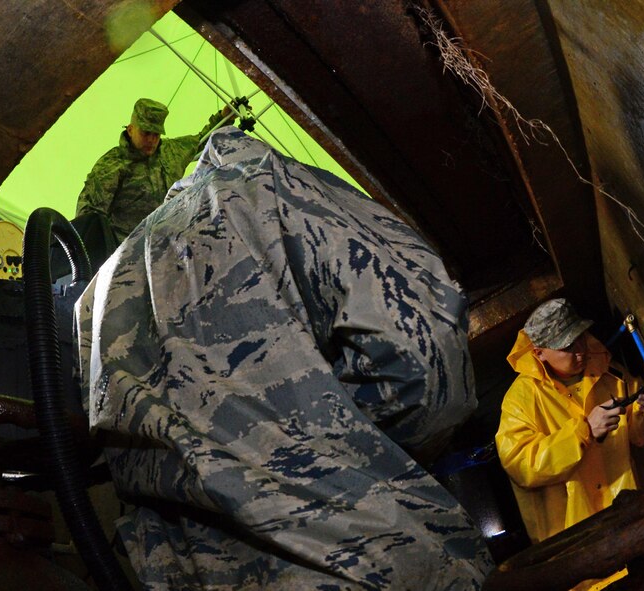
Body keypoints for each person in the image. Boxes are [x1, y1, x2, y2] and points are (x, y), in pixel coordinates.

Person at [75, 127, 492, 589]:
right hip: (358, 555)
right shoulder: (264, 185)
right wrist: (360, 446)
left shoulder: (96, 297)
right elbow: (423, 357)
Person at [495, 298, 644, 543]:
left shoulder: (609, 372)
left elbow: (640, 436)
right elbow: (521, 465)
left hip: (631, 514)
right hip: (574, 533)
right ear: (539, 353)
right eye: (567, 346)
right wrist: (584, 431)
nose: (580, 351)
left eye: (580, 338)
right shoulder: (520, 400)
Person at [75, 98, 233, 243]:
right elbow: (89, 217)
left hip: (167, 243)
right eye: (145, 133)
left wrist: (224, 117)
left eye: (156, 134)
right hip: (125, 248)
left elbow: (202, 141)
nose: (151, 140)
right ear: (130, 130)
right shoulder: (112, 165)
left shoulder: (171, 152)